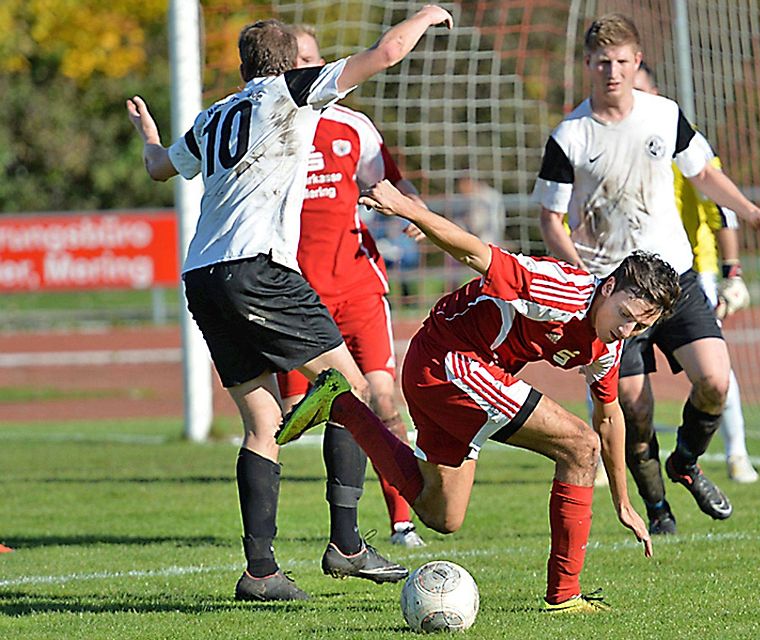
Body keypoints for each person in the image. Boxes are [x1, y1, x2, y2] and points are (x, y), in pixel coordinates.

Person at [126, 7, 454, 601]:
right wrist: (425, 15)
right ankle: (347, 545)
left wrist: (149, 131)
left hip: (202, 276)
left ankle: (260, 572)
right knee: (354, 393)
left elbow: (156, 168)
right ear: (285, 65)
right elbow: (383, 55)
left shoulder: (214, 114)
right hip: (259, 269)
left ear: (243, 64)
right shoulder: (290, 94)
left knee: (262, 422)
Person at [277, 178, 683, 613]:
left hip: (456, 373)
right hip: (449, 359)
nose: (627, 330)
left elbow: (610, 416)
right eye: (624, 315)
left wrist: (623, 501)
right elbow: (474, 252)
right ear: (607, 288)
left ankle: (341, 404)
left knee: (441, 516)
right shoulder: (560, 288)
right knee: (579, 445)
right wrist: (406, 207)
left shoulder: (610, 342)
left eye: (640, 326)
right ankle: (565, 596)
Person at [534, 14, 760, 536]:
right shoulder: (570, 136)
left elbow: (705, 174)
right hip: (612, 292)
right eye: (602, 61)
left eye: (622, 61)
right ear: (587, 64)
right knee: (633, 405)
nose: (612, 71)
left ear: (637, 62)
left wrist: (754, 212)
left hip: (675, 278)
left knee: (715, 380)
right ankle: (657, 509)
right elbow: (549, 220)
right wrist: (585, 278)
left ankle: (686, 463)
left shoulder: (664, 115)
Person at [278, 24, 426, 548]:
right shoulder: (270, 128)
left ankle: (402, 519)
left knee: (384, 400)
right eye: (297, 61)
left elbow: (390, 181)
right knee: (287, 417)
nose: (309, 69)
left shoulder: (352, 126)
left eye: (315, 59)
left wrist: (415, 212)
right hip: (295, 296)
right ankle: (269, 545)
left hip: (360, 287)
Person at [634, 62, 760, 489]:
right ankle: (609, 457)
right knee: (613, 371)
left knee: (715, 368)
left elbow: (719, 204)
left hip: (691, 270)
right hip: (630, 273)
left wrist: (731, 274)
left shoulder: (674, 132)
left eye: (640, 88)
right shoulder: (604, 132)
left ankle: (736, 452)